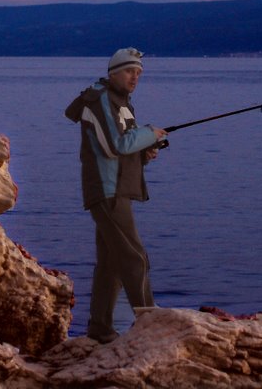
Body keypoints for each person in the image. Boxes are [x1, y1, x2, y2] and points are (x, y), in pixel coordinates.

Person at [64, 47, 167, 344]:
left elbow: (123, 148)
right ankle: (150, 323)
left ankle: (99, 329)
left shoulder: (121, 103)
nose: (135, 77)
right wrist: (150, 132)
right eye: (129, 71)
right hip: (108, 191)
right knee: (135, 258)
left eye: (138, 73)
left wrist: (146, 151)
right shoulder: (100, 101)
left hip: (115, 189)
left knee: (111, 265)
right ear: (113, 73)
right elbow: (116, 145)